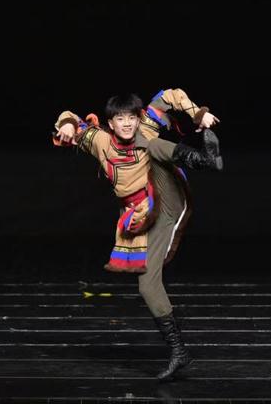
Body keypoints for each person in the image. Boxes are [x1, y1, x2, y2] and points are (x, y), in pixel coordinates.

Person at [53, 88, 222, 381]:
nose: (127, 123)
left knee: (148, 142)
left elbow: (170, 96)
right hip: (143, 217)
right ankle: (179, 351)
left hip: (167, 199)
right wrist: (68, 124)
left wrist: (199, 114)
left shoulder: (145, 127)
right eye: (120, 119)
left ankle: (202, 159)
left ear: (138, 116)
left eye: (131, 117)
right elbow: (72, 120)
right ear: (111, 123)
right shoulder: (101, 141)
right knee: (147, 286)